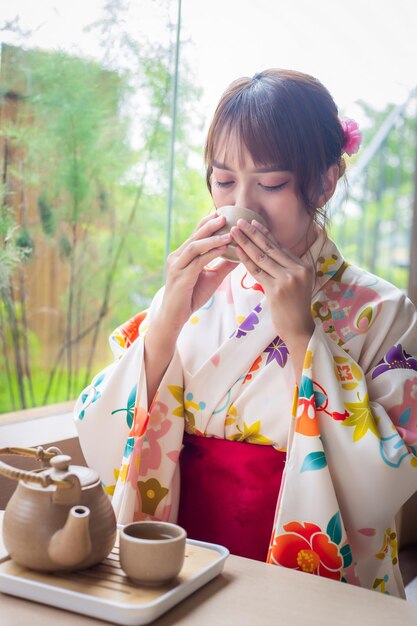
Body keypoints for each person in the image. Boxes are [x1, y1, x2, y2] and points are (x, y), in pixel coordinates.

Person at [75, 69, 417, 597]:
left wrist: (304, 335)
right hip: (180, 562)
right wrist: (167, 320)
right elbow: (100, 438)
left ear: (327, 179)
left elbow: (388, 480)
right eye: (224, 181)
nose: (244, 206)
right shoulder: (194, 292)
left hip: (306, 573)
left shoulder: (385, 311)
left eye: (272, 183)